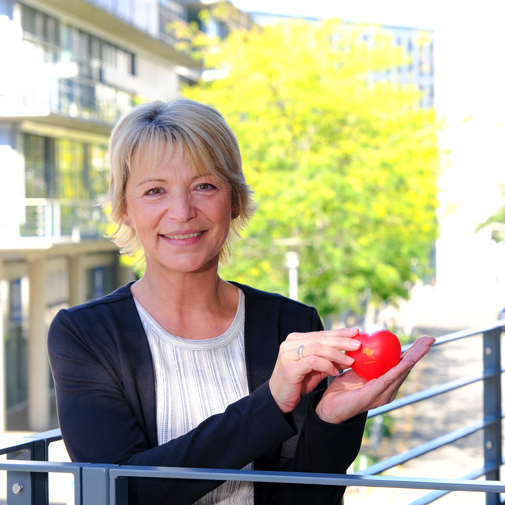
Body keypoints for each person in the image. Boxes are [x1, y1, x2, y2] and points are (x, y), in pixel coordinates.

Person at [48, 99, 434, 505]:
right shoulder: (85, 335)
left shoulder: (292, 324)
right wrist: (271, 405)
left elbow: (305, 502)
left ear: (233, 200)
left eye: (205, 186)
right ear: (125, 208)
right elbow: (123, 492)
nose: (182, 212)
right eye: (155, 190)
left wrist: (331, 422)